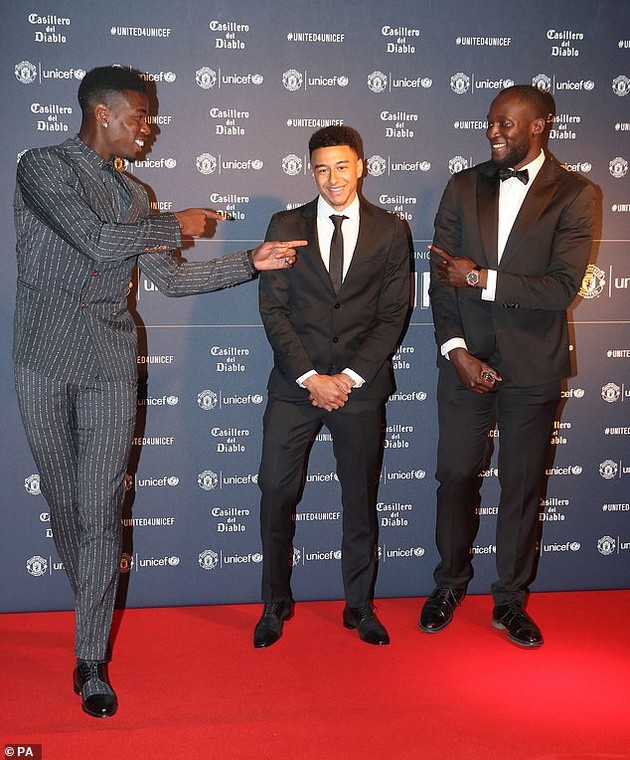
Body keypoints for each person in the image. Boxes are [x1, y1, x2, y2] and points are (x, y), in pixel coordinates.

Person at [13, 65, 305, 718]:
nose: (149, 128)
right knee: (65, 507)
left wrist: (248, 262)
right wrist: (177, 222)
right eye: (140, 116)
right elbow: (91, 241)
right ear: (102, 113)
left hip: (112, 363)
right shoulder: (42, 168)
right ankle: (90, 592)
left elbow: (170, 283)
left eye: (149, 117)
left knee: (100, 512)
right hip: (43, 359)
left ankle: (91, 662)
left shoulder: (137, 195)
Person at [420, 85, 596, 648]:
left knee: (520, 486)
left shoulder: (577, 194)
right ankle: (449, 583)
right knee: (454, 476)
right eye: (490, 122)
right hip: (465, 361)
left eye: (506, 124)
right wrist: (455, 351)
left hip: (534, 367)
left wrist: (481, 278)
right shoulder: (463, 184)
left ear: (540, 125)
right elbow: (440, 276)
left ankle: (511, 600)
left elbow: (563, 288)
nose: (493, 132)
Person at [254, 125, 411, 649]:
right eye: (321, 168)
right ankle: (275, 601)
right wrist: (310, 378)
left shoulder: (392, 230)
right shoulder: (286, 224)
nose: (331, 179)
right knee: (276, 492)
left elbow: (393, 316)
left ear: (361, 166)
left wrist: (345, 379)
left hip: (358, 389)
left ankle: (359, 605)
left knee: (360, 498)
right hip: (293, 386)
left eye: (341, 166)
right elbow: (273, 310)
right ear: (311, 171)